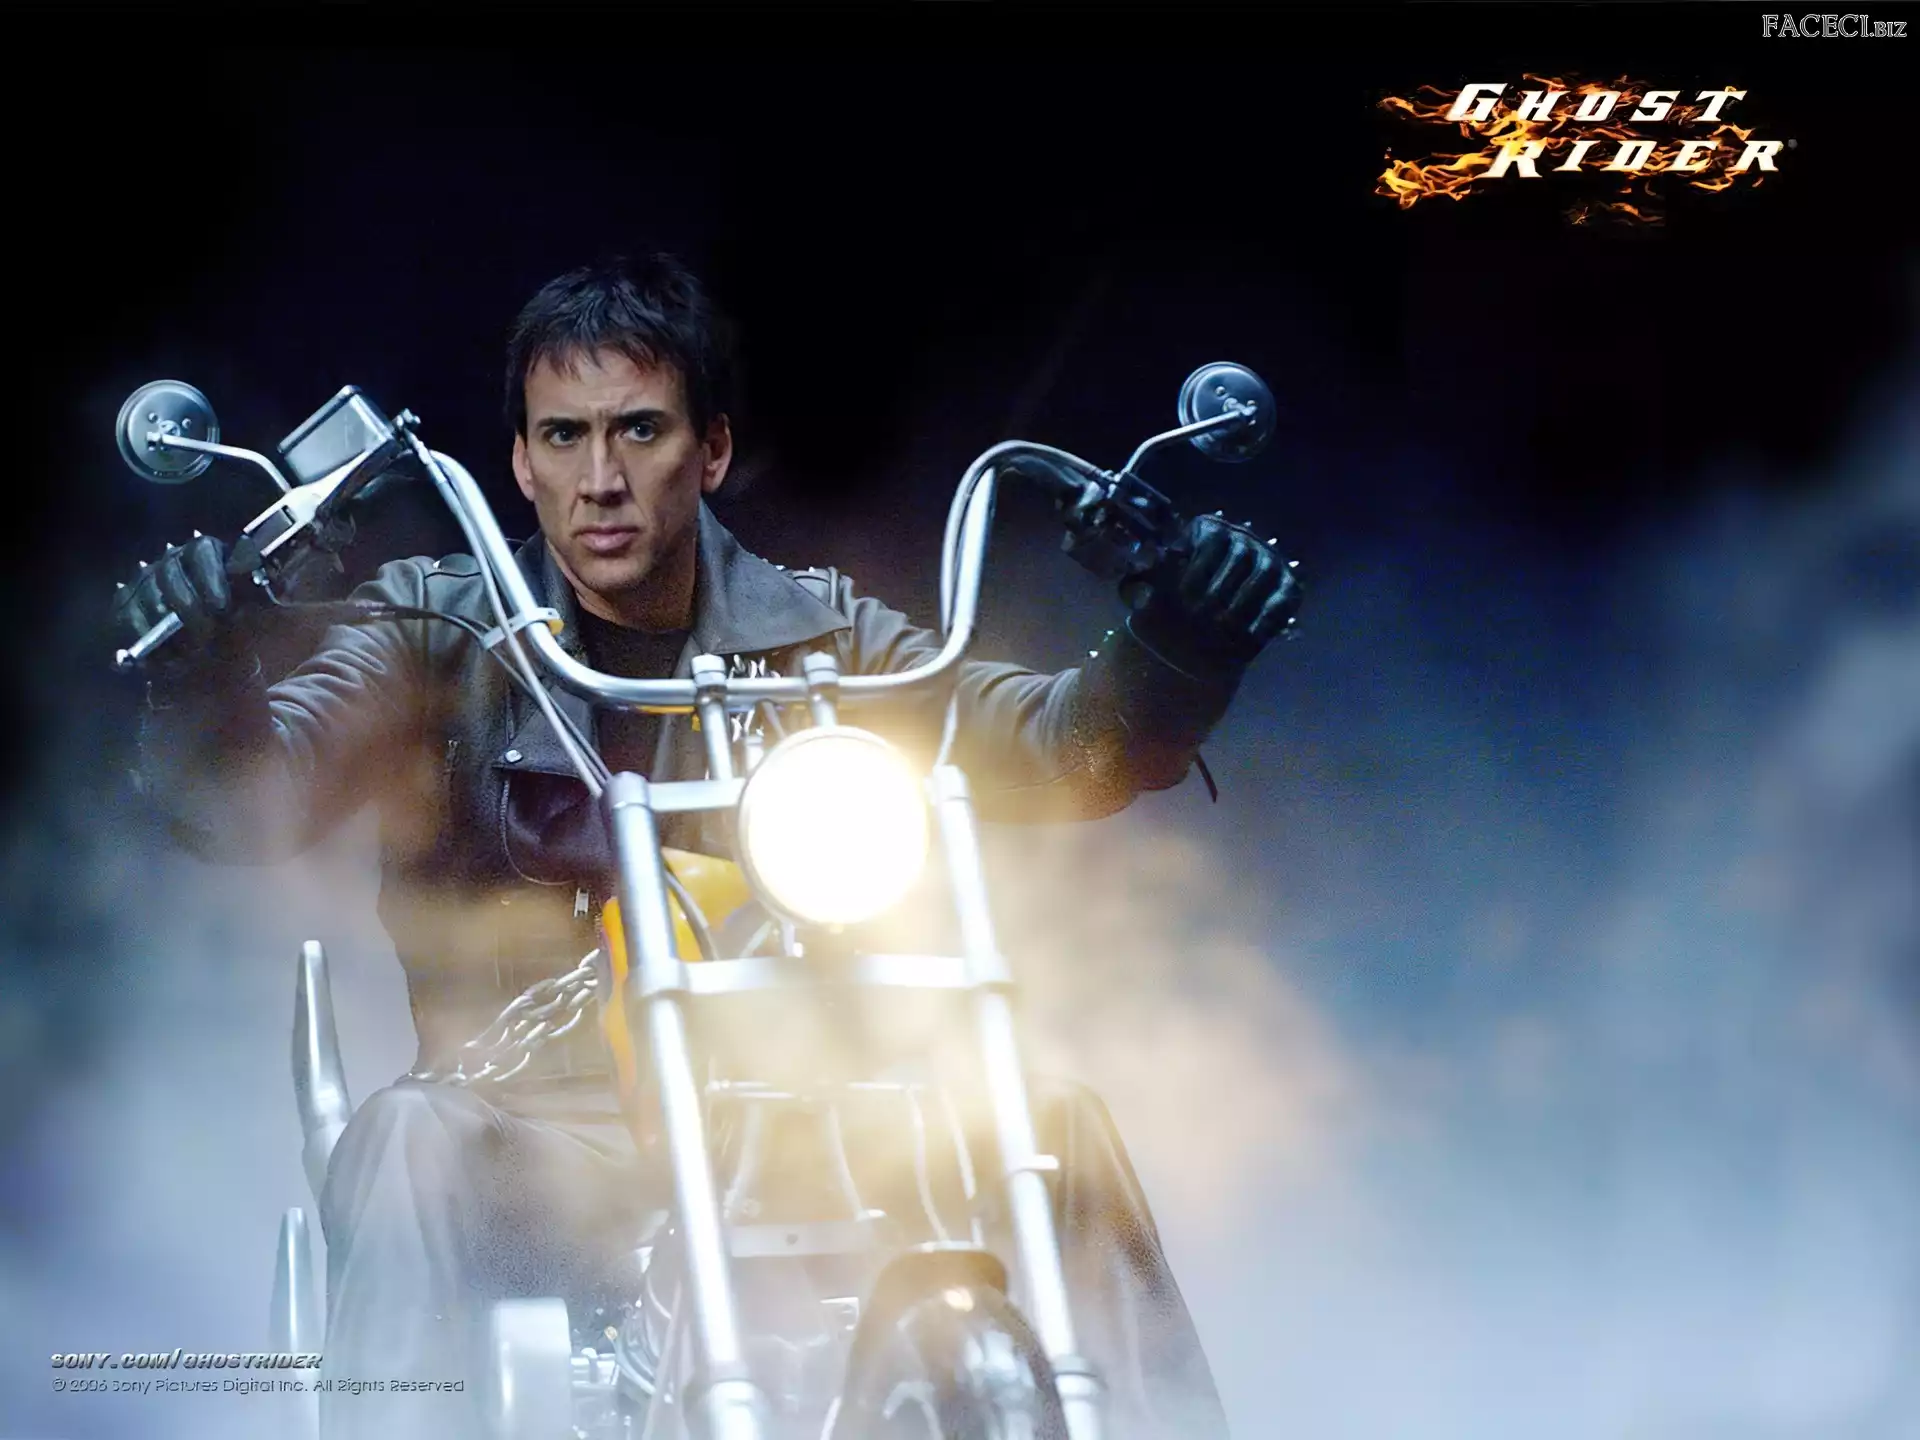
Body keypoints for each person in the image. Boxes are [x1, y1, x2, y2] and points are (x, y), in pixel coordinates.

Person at [114, 255, 1301, 1439]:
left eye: (640, 430)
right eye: (565, 437)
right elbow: (249, 800)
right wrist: (203, 686)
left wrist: (1179, 650)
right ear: (520, 462)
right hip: (545, 1130)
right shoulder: (435, 627)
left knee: (1051, 1121)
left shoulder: (821, 633)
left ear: (712, 450)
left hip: (809, 1107)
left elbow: (1051, 745)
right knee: (407, 1139)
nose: (602, 479)